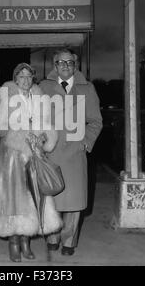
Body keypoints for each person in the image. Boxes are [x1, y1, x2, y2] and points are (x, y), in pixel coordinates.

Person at [0, 63, 62, 262]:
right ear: (15, 79)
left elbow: (47, 124)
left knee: (32, 198)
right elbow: (0, 129)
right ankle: (14, 242)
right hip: (12, 155)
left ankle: (26, 241)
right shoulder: (9, 97)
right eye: (21, 76)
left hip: (34, 154)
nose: (25, 80)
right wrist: (22, 135)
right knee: (13, 198)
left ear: (33, 78)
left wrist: (41, 137)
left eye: (28, 76)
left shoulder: (40, 97)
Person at [39, 48, 103, 256]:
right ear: (54, 65)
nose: (65, 66)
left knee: (74, 202)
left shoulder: (87, 88)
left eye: (69, 63)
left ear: (75, 66)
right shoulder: (44, 87)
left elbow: (95, 121)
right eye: (61, 63)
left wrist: (86, 142)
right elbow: (37, 118)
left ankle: (69, 241)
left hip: (75, 153)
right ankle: (52, 236)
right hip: (52, 151)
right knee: (52, 197)